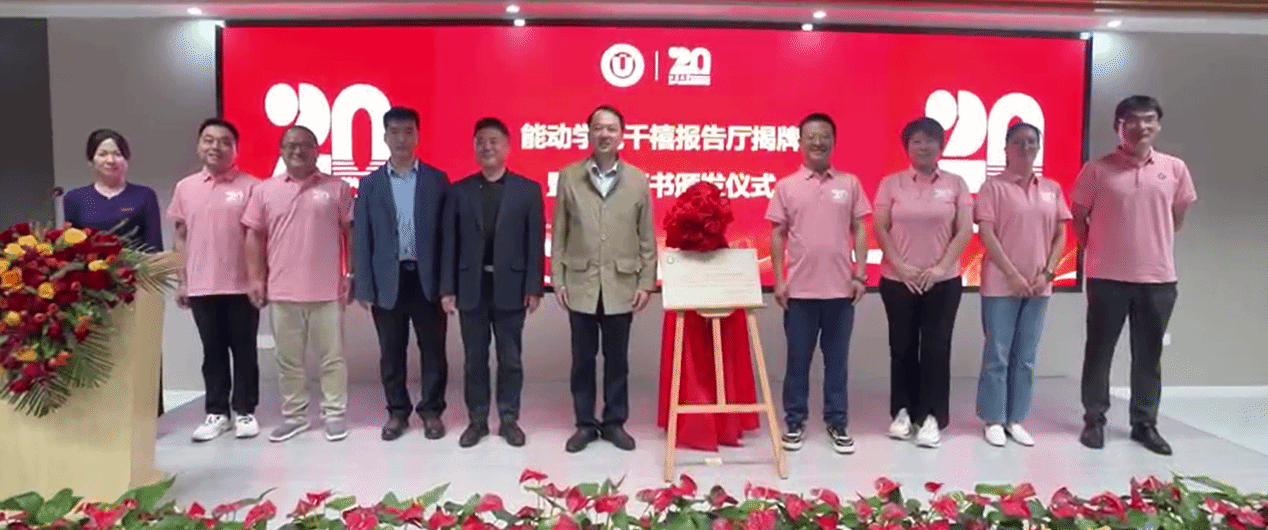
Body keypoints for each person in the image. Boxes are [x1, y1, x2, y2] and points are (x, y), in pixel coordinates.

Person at [1072, 95, 1197, 456]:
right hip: (1107, 277)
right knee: (1099, 352)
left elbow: (1177, 219)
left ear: (1157, 124)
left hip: (1158, 279)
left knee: (1148, 355)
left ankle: (1144, 423)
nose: (1141, 127)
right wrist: (1097, 250)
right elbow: (1078, 216)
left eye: (1149, 119)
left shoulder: (1174, 168)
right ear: (1119, 126)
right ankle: (1094, 420)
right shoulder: (1097, 170)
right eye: (1133, 120)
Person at [551, 104, 656, 453]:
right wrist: (558, 279)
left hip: (621, 284)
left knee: (617, 360)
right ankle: (584, 424)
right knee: (582, 360)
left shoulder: (638, 180)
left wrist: (645, 283)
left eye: (611, 128)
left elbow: (647, 238)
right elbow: (560, 232)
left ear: (622, 135)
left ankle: (614, 423)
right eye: (598, 128)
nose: (605, 134)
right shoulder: (569, 176)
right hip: (581, 282)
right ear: (589, 133)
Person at [765, 113, 870, 455]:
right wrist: (779, 280)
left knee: (836, 364)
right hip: (800, 293)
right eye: (810, 136)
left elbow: (860, 229)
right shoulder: (787, 186)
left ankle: (837, 422)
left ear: (834, 142)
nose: (817, 142)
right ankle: (794, 421)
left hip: (840, 292)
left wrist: (860, 274)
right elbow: (777, 235)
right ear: (799, 142)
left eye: (824, 136)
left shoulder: (849, 183)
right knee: (797, 362)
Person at [242, 125, 353, 443]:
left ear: (317, 150)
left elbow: (350, 233)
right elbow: (254, 236)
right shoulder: (264, 190)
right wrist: (255, 278)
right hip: (282, 291)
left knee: (332, 358)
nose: (297, 150)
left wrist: (350, 274)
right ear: (281, 150)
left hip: (327, 291)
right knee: (288, 361)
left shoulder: (338, 188)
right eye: (290, 145)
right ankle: (295, 417)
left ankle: (334, 414)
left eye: (305, 145)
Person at [439, 117, 544, 448]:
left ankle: (509, 419)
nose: (487, 146)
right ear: (474, 147)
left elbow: (534, 242)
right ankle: (478, 420)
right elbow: (449, 243)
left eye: (494, 140)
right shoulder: (459, 191)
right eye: (481, 141)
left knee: (510, 359)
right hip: (471, 287)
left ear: (507, 147)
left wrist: (534, 287)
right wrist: (447, 289)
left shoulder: (527, 191)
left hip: (511, 287)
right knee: (474, 360)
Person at [352, 107, 452, 442]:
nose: (401, 139)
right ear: (384, 137)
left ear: (417, 135)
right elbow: (362, 239)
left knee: (433, 351)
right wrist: (364, 286)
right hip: (388, 281)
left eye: (408, 131)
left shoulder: (437, 181)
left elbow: (447, 238)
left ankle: (432, 411)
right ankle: (397, 412)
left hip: (427, 280)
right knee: (391, 353)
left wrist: (447, 285)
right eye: (394, 132)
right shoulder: (370, 184)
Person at [875, 117, 973, 449]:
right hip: (897, 280)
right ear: (907, 147)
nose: (923, 146)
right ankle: (902, 412)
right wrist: (901, 266)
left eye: (930, 140)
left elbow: (964, 229)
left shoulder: (956, 184)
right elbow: (881, 227)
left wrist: (940, 267)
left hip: (943, 282)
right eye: (916, 141)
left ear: (941, 146)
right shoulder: (891, 184)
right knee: (901, 347)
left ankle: (931, 416)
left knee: (936, 348)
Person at [974, 122, 1071, 448]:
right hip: (1001, 285)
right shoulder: (993, 188)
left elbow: (1061, 234)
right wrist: (1012, 274)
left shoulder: (1051, 188)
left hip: (1039, 286)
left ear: (1038, 147)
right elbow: (986, 234)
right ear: (1005, 149)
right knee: (998, 354)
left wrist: (1048, 273)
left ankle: (1015, 418)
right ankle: (993, 418)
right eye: (1018, 142)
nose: (1025, 147)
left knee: (1026, 356)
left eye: (1031, 142)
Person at [169, 118, 261, 442]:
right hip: (201, 285)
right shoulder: (185, 187)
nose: (215, 147)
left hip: (241, 285)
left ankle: (245, 410)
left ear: (235, 149)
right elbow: (180, 237)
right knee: (212, 352)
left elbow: (257, 238)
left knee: (245, 351)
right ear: (199, 146)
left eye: (224, 141)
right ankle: (217, 412)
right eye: (208, 140)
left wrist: (257, 279)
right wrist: (181, 281)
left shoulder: (252, 186)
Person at [64, 128, 165, 417]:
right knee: (100, 349)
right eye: (103, 153)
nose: (111, 160)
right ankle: (103, 415)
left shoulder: (144, 196)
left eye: (117, 154)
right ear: (91, 160)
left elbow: (153, 246)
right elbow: (70, 247)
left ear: (127, 159)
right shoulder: (75, 199)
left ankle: (147, 414)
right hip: (91, 289)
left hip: (135, 286)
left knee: (141, 349)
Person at [655, 181, 759, 452]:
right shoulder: (686, 237)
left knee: (701, 351)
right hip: (695, 280)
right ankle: (716, 421)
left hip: (710, 278)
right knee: (706, 350)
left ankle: (702, 420)